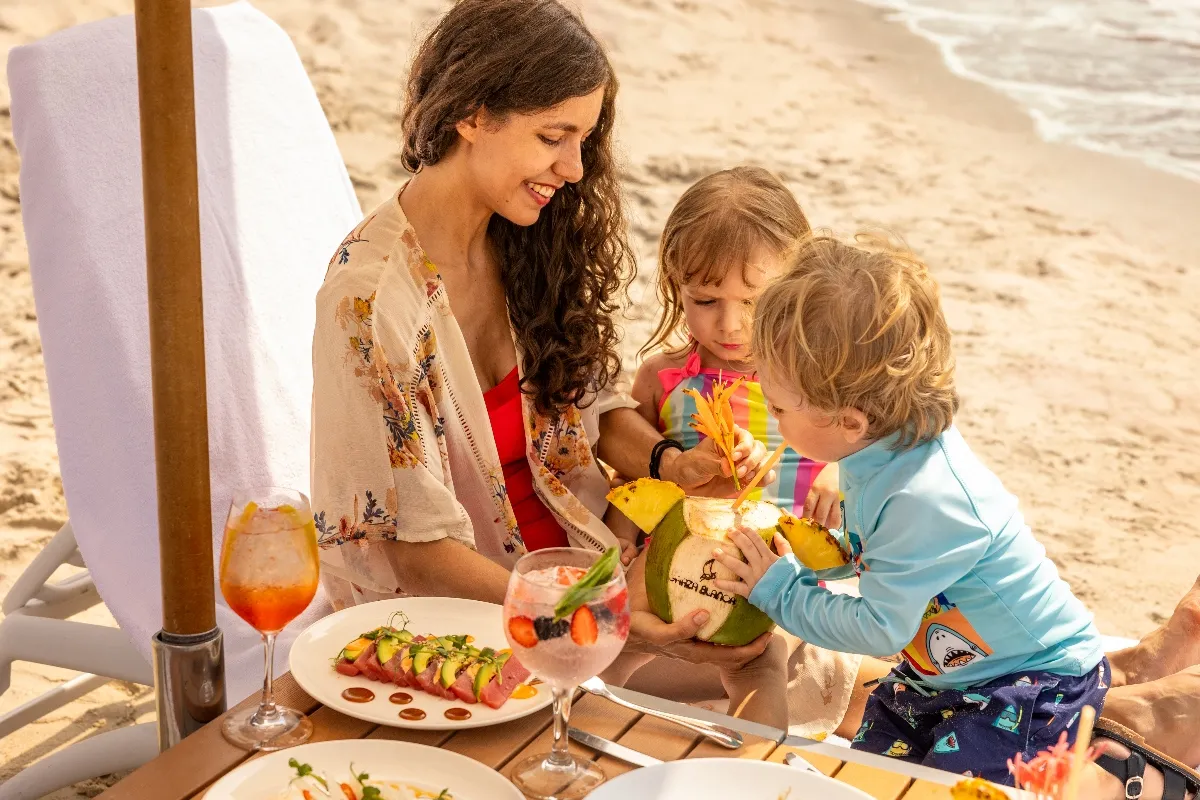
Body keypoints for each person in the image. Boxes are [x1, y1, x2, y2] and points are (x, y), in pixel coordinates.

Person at [310, 0, 780, 723]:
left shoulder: (526, 240)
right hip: (475, 622)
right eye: (554, 137)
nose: (573, 167)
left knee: (787, 650)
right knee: (779, 666)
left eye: (583, 139)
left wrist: (670, 464)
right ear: (472, 114)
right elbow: (417, 553)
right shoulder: (371, 304)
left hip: (592, 567)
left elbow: (590, 402)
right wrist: (600, 615)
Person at [714, 231, 1107, 785]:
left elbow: (879, 629)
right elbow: (877, 554)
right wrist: (818, 560)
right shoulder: (876, 449)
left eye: (778, 407)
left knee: (942, 792)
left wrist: (779, 591)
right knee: (865, 774)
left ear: (849, 420)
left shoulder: (929, 497)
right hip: (942, 676)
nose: (769, 416)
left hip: (1031, 683)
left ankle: (1125, 770)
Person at [621, 167, 840, 547]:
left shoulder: (822, 379)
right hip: (682, 566)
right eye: (705, 301)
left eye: (753, 302)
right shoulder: (663, 378)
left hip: (792, 578)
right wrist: (620, 541)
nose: (730, 325)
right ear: (677, 285)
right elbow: (633, 477)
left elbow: (882, 448)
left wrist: (842, 472)